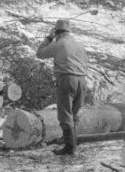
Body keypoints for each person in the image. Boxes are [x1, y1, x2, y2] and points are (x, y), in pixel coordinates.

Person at [36, 18, 88, 156]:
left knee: (65, 114)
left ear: (57, 33)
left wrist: (48, 38)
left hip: (67, 79)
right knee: (75, 114)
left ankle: (70, 147)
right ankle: (73, 144)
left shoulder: (59, 43)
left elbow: (39, 53)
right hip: (82, 80)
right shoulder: (79, 45)